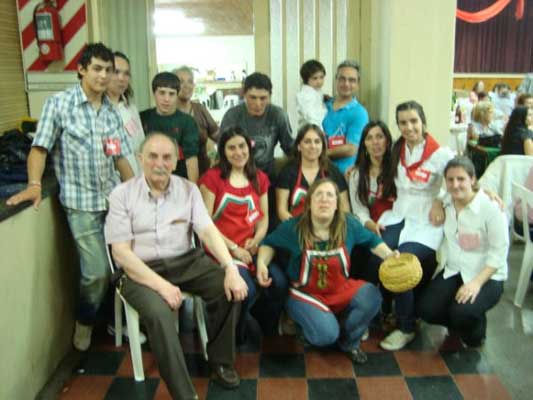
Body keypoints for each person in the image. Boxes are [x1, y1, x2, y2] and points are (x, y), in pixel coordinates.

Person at [6, 43, 134, 351]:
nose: (105, 76)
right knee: (96, 273)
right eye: (98, 69)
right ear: (81, 69)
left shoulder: (110, 113)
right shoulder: (59, 105)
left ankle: (118, 322)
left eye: (110, 70)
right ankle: (85, 321)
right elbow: (39, 149)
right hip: (80, 206)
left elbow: (118, 158)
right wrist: (35, 183)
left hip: (112, 201)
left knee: (127, 265)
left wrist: (138, 192)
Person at [105, 133, 248, 400]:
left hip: (185, 261)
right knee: (159, 314)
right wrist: (162, 286)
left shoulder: (188, 190)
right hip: (139, 269)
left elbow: (207, 231)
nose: (160, 163)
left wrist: (230, 268)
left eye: (167, 157)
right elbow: (122, 254)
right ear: (140, 159)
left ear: (175, 160)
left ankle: (220, 361)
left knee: (228, 288)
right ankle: (185, 395)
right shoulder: (121, 195)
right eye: (153, 156)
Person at [258, 178, 399, 363]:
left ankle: (349, 341)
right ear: (309, 203)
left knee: (372, 296)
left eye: (330, 195)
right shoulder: (294, 227)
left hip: (339, 289)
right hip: (305, 295)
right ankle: (310, 325)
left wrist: (390, 255)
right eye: (319, 195)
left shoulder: (349, 224)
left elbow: (373, 241)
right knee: (325, 336)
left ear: (336, 205)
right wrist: (261, 263)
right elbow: (269, 243)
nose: (324, 200)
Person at [367, 101, 454, 351]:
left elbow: (460, 180)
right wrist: (356, 169)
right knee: (376, 253)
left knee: (402, 262)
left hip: (426, 221)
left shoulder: (440, 154)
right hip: (399, 214)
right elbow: (375, 162)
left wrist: (440, 200)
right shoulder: (398, 148)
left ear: (423, 121)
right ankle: (379, 312)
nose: (409, 127)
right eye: (403, 122)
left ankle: (406, 327)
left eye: (413, 121)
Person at [198, 127, 288, 342]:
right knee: (243, 287)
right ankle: (236, 336)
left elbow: (264, 217)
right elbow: (205, 223)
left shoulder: (259, 178)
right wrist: (234, 249)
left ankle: (266, 328)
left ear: (249, 148)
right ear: (223, 151)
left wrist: (257, 239)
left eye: (242, 146)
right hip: (222, 249)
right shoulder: (211, 179)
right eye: (231, 148)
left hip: (251, 248)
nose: (238, 152)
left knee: (280, 282)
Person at [418, 157, 508, 348]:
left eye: (461, 179)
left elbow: (499, 253)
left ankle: (475, 331)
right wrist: (436, 203)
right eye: (450, 180)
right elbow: (439, 194)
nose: (455, 185)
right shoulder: (448, 200)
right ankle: (460, 323)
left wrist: (476, 284)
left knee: (463, 312)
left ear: (473, 180)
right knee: (426, 309)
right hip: (455, 270)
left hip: (486, 276)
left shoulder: (491, 209)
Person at [219, 72, 293, 178]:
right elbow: (222, 151)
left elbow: (289, 147)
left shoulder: (278, 115)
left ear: (270, 96)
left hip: (268, 176)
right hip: (237, 175)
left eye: (263, 98)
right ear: (244, 95)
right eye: (253, 98)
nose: (258, 104)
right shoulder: (232, 116)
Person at [276, 123, 350, 222]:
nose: (313, 146)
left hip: (328, 229)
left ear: (323, 146)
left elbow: (345, 209)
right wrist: (299, 229)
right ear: (299, 146)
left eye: (317, 141)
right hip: (296, 229)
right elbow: (282, 211)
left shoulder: (333, 172)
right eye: (307, 142)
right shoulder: (287, 172)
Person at [140, 72, 200, 182]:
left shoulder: (187, 122)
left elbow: (191, 160)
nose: (166, 99)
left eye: (171, 94)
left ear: (177, 95)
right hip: (147, 182)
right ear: (154, 93)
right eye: (162, 93)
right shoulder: (142, 118)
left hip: (178, 183)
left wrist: (193, 191)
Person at [348, 120, 396, 236]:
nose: (375, 142)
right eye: (369, 138)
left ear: (387, 141)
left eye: (379, 137)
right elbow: (359, 211)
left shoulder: (397, 170)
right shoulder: (356, 175)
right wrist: (373, 226)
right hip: (369, 227)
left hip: (394, 225)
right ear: (364, 144)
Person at [322, 60, 369, 174]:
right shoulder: (323, 106)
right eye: (342, 79)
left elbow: (351, 149)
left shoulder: (359, 113)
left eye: (351, 80)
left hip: (344, 176)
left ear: (358, 84)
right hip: (319, 172)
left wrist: (319, 153)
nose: (346, 84)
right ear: (336, 80)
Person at [174, 66, 219, 175]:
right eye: (181, 82)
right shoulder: (167, 112)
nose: (187, 86)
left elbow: (220, 137)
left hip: (203, 174)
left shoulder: (200, 109)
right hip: (174, 177)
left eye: (190, 81)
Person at [107, 51, 145, 175]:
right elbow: (112, 154)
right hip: (115, 181)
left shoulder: (130, 108)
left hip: (139, 177)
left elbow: (141, 144)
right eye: (116, 72)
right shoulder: (101, 112)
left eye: (126, 73)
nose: (122, 78)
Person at [296, 59, 327, 127]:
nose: (319, 81)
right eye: (315, 78)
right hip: (311, 128)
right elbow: (311, 117)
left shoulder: (316, 91)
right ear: (306, 79)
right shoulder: (306, 95)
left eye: (321, 77)